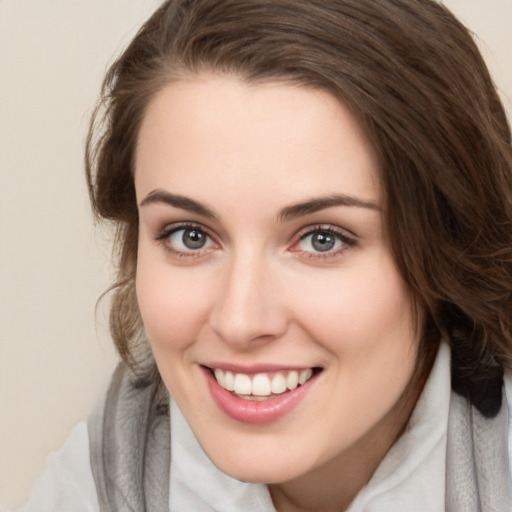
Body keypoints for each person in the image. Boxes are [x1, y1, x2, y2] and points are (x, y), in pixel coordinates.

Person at [21, 0, 512, 510]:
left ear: (450, 251)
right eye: (189, 235)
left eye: (323, 239)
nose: (240, 320)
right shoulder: (89, 483)